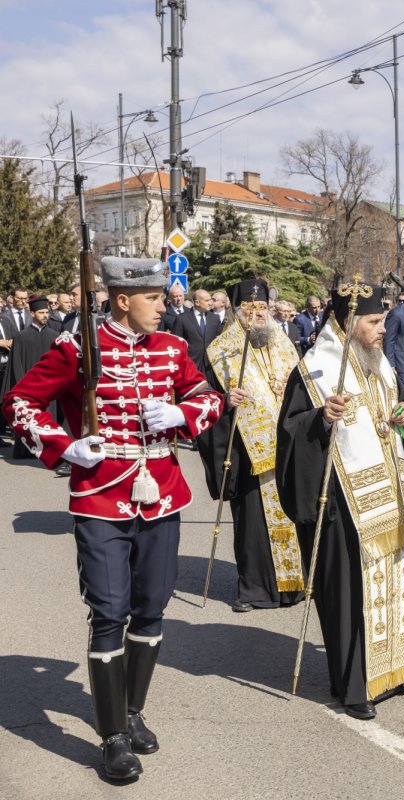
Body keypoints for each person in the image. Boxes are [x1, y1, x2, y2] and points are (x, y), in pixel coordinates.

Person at [1, 257, 223, 781]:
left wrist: (184, 415)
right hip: (101, 494)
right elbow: (19, 403)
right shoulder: (79, 349)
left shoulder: (172, 349)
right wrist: (66, 447)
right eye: (156, 299)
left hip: (163, 492)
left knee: (152, 606)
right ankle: (113, 738)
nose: (165, 309)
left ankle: (132, 710)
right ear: (124, 300)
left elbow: (207, 397)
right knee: (109, 611)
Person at [277, 283, 404, 721]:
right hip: (345, 503)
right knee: (352, 593)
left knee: (394, 576)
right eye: (374, 322)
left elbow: (391, 414)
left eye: (383, 321)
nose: (383, 329)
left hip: (389, 496)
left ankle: (397, 669)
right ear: (348, 322)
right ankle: (356, 685)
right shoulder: (314, 369)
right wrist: (321, 418)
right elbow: (289, 432)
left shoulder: (380, 363)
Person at [200, 279, 305, 612]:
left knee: (293, 517)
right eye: (251, 309)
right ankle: (255, 590)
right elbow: (205, 401)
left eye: (263, 309)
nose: (259, 316)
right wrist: (225, 401)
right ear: (237, 311)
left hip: (288, 451)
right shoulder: (220, 352)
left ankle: (295, 586)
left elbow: (303, 388)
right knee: (254, 527)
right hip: (248, 455)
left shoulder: (284, 344)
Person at [0, 296, 62, 459]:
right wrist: (22, 388)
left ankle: (49, 450)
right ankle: (26, 450)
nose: (45, 316)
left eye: (46, 313)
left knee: (48, 419)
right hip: (28, 389)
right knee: (28, 419)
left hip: (49, 387)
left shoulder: (54, 335)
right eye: (41, 312)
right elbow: (16, 365)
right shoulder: (21, 337)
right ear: (32, 313)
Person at [173, 288, 221, 374]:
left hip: (211, 366)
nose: (210, 303)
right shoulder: (182, 318)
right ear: (197, 302)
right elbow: (176, 344)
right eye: (207, 300)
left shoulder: (215, 318)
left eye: (211, 300)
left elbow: (219, 340)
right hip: (191, 365)